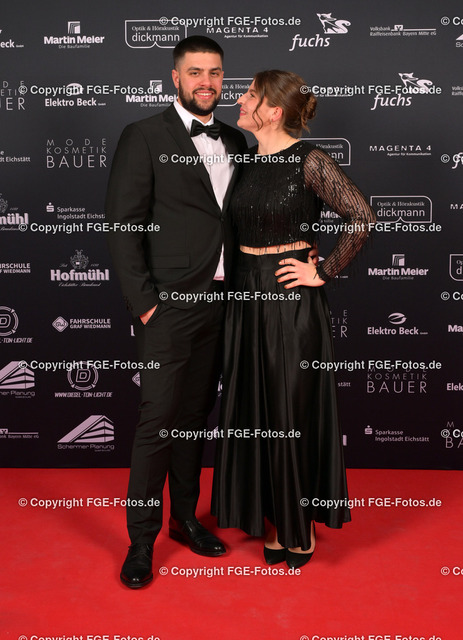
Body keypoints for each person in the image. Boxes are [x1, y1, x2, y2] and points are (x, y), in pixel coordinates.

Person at [211, 70, 376, 568]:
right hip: (245, 298)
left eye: (250, 95)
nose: (240, 101)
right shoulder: (242, 159)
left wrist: (321, 271)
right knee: (255, 412)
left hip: (289, 301)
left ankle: (296, 522)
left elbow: (362, 217)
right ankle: (271, 516)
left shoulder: (310, 160)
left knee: (289, 412)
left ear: (274, 111)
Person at [105, 36, 248, 588]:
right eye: (195, 72)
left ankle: (185, 520)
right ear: (175, 78)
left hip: (222, 303)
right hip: (167, 306)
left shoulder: (235, 139)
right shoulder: (143, 135)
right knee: (157, 422)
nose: (206, 82)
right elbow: (123, 226)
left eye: (215, 72)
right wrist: (145, 306)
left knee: (193, 419)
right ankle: (141, 542)